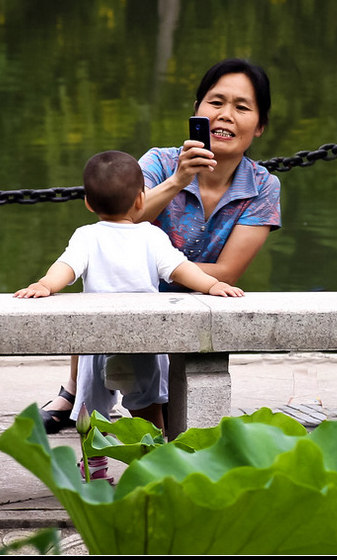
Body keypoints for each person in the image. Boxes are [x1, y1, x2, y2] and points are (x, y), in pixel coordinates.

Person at [36, 58, 281, 434]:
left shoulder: (263, 186)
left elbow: (228, 271)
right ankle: (72, 390)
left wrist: (150, 267)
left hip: (198, 296)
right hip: (130, 295)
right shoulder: (159, 162)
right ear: (197, 110)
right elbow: (117, 224)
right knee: (102, 268)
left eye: (242, 107)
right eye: (215, 103)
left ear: (260, 125)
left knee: (161, 420)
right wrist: (178, 180)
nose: (226, 115)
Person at [14, 150, 245, 479]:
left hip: (98, 344)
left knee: (92, 412)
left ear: (88, 203)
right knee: (148, 408)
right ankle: (154, 463)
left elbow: (66, 268)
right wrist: (212, 285)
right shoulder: (152, 236)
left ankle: (95, 468)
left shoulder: (87, 236)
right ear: (141, 199)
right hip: (145, 342)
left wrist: (45, 285)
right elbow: (180, 270)